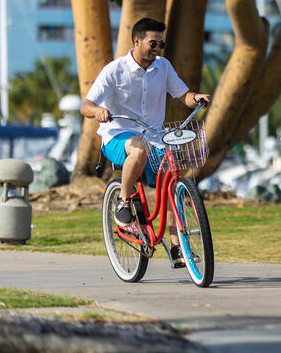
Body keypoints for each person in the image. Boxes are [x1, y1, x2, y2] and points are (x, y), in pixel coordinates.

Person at [81, 17, 210, 267]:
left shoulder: (163, 67)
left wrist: (198, 98)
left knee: (174, 182)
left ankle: (177, 247)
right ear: (137, 41)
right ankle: (123, 201)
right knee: (138, 149)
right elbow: (85, 105)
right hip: (118, 135)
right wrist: (98, 111)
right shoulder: (114, 70)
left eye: (160, 44)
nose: (157, 49)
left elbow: (183, 95)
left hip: (155, 137)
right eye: (153, 43)